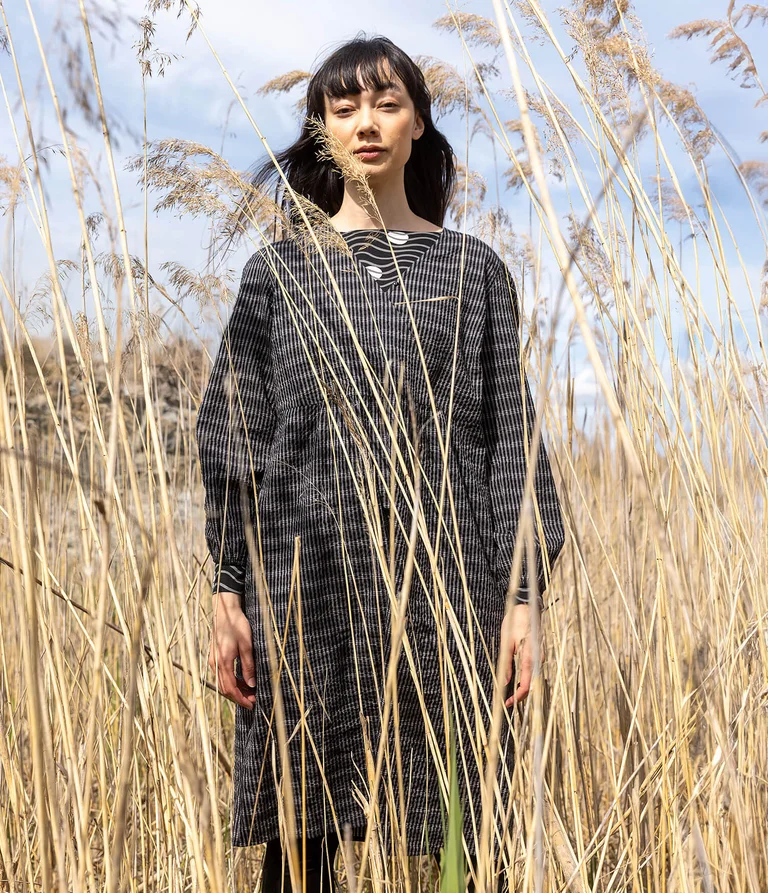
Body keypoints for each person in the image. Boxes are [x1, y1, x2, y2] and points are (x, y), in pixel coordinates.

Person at [195, 33, 565, 893]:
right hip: (307, 587)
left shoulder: (472, 273)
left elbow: (509, 439)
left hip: (447, 588)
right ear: (322, 129)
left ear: (419, 124)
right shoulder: (279, 274)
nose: (366, 122)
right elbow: (235, 435)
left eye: (387, 103)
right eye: (344, 106)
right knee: (302, 846)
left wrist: (523, 598)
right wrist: (225, 589)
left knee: (460, 836)